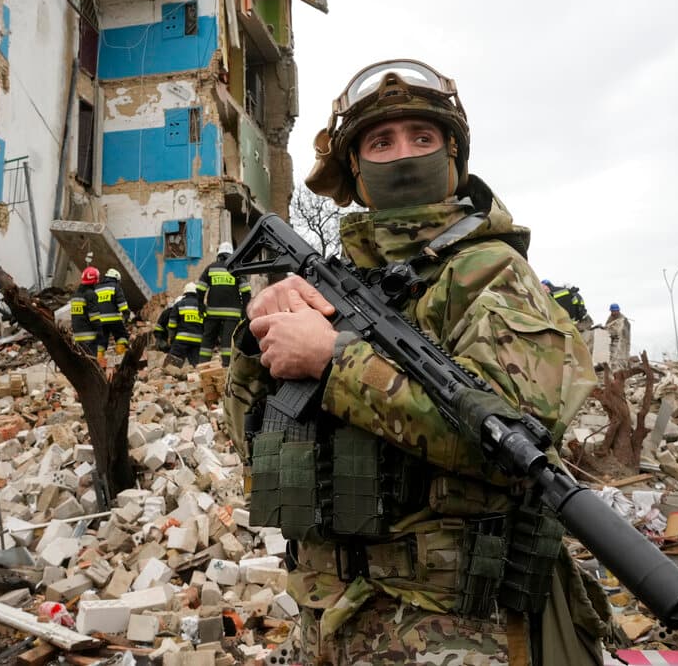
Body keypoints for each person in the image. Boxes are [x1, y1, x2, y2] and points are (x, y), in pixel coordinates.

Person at [224, 60, 610, 666]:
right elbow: (255, 445)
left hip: (448, 626)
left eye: (422, 137)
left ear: (453, 155)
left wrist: (334, 363)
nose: (402, 155)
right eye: (381, 141)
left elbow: (516, 445)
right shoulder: (338, 282)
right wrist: (258, 344)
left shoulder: (491, 274)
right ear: (354, 167)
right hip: (327, 612)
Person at [197, 241, 252, 366]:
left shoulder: (210, 268)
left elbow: (200, 288)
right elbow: (246, 292)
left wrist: (200, 306)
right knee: (227, 342)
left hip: (212, 312)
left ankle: (202, 365)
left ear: (219, 254)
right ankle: (227, 367)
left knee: (208, 340)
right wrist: (244, 311)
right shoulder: (236, 269)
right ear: (232, 255)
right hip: (232, 314)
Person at [94, 268, 130, 365]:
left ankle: (98, 363)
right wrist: (126, 313)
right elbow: (121, 303)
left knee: (101, 342)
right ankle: (121, 358)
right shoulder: (115, 287)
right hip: (114, 319)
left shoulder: (97, 288)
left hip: (99, 321)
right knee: (122, 336)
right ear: (116, 278)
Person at [166, 282, 203, 366]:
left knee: (172, 364)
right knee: (196, 365)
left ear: (185, 293)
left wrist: (171, 338)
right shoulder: (202, 306)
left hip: (181, 340)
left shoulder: (179, 304)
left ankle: (171, 378)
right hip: (198, 341)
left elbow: (172, 323)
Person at [70, 267, 101, 356]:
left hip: (78, 338)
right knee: (93, 364)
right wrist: (100, 332)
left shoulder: (75, 296)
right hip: (90, 337)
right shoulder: (90, 294)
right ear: (95, 281)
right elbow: (94, 316)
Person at [605, 303, 631, 370]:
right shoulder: (610, 317)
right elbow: (607, 326)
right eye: (612, 311)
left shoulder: (622, 319)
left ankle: (623, 367)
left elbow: (620, 331)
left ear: (618, 310)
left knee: (622, 353)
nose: (614, 312)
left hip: (622, 339)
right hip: (613, 339)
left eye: (615, 311)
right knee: (612, 354)